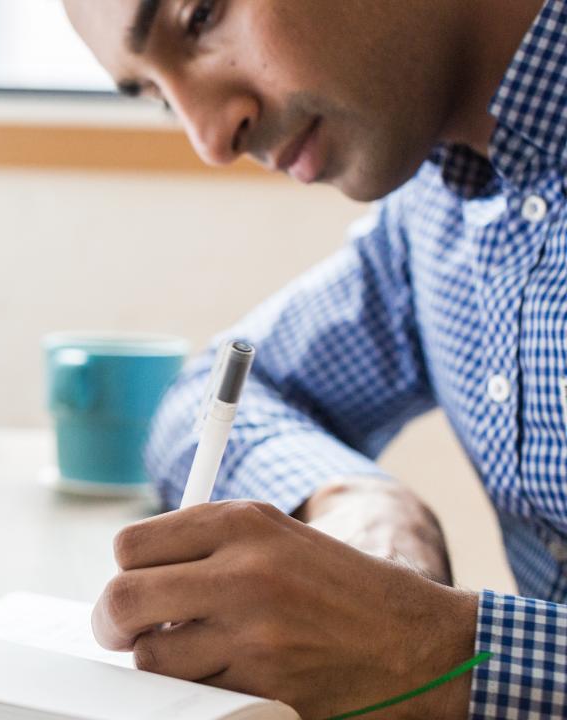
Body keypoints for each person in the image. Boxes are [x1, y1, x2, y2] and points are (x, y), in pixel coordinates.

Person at [62, 0, 567, 717]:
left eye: (200, 15)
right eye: (154, 94)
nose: (209, 138)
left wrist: (433, 649)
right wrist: (359, 502)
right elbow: (205, 394)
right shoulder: (434, 212)